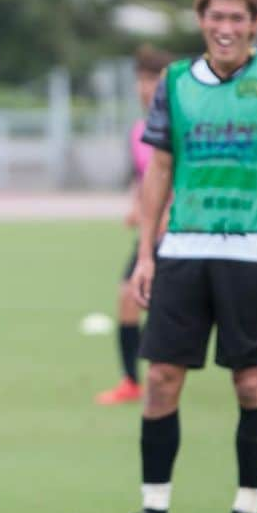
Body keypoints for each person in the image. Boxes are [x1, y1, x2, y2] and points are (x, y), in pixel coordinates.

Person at [112, 0, 257, 513]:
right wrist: (148, 253)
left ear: (255, 23)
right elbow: (162, 168)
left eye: (237, 18)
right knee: (161, 380)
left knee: (252, 381)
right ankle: (154, 512)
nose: (225, 28)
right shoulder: (176, 82)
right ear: (202, 20)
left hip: (252, 249)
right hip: (182, 249)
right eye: (216, 16)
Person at [96, 45, 174, 405]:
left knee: (214, 304)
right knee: (128, 299)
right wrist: (136, 208)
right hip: (151, 233)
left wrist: (167, 215)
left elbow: (180, 178)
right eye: (142, 80)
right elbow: (146, 178)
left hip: (179, 232)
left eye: (153, 80)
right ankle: (131, 381)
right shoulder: (138, 130)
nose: (146, 88)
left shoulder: (179, 124)